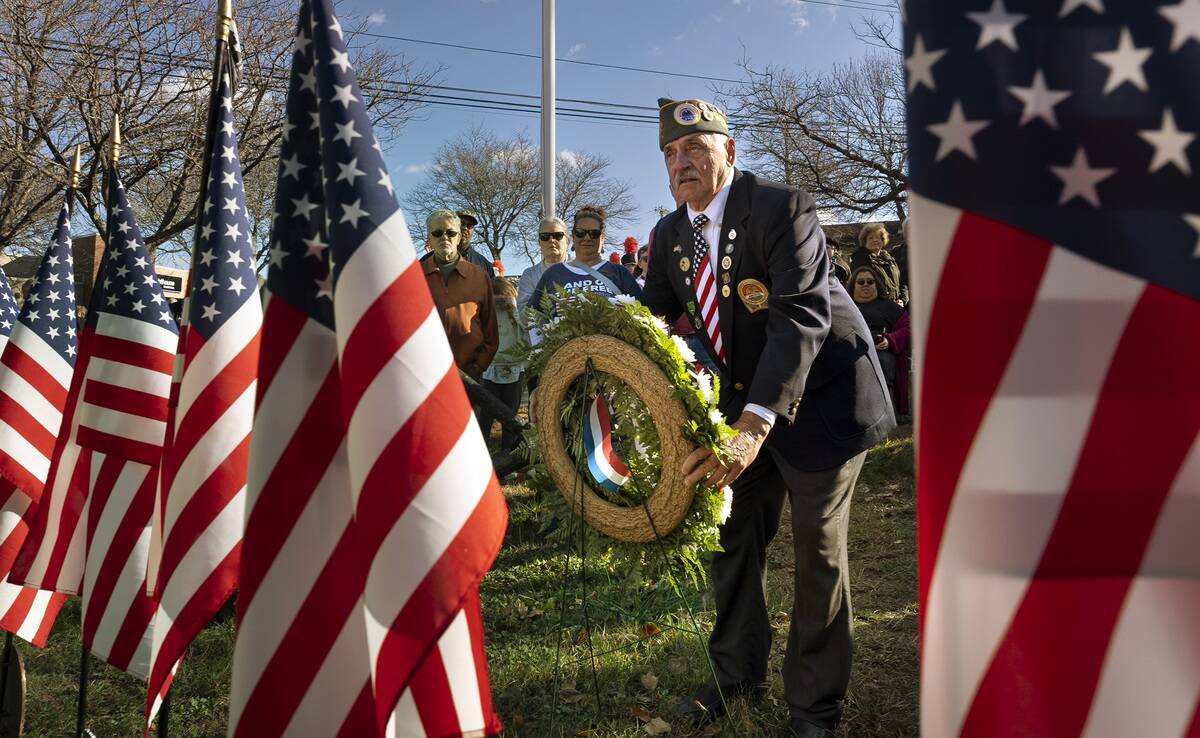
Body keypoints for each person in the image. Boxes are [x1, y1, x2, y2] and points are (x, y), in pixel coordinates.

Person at [641, 97, 895, 738]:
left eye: (697, 148)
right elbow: (651, 325)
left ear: (730, 152)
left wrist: (753, 429)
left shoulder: (782, 207)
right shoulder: (670, 236)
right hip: (741, 411)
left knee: (817, 550)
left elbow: (800, 318)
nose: (683, 162)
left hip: (823, 403)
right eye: (671, 154)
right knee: (730, 538)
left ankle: (814, 709)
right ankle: (735, 673)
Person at [421, 209, 498, 380]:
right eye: (437, 233)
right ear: (430, 237)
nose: (444, 237)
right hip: (426, 376)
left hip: (471, 376)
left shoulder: (479, 276)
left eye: (451, 232)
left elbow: (491, 332)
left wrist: (478, 367)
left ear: (458, 237)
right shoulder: (415, 276)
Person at [527, 205, 642, 313]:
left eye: (594, 233)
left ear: (602, 237)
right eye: (580, 233)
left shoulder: (619, 273)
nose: (587, 238)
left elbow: (643, 312)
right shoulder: (552, 274)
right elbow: (531, 317)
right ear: (573, 236)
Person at [478, 276, 528, 452]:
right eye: (495, 297)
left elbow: (526, 334)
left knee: (511, 415)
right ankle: (480, 452)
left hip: (515, 369)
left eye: (503, 297)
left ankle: (509, 453)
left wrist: (513, 309)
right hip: (490, 369)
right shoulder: (485, 314)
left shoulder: (517, 313)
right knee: (486, 414)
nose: (499, 302)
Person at [848, 266, 904, 405]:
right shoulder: (844, 306)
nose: (865, 284)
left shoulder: (888, 307)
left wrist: (890, 340)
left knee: (883, 361)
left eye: (870, 281)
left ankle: (883, 407)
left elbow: (908, 328)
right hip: (849, 352)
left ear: (876, 284)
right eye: (861, 282)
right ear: (853, 286)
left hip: (879, 353)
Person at [517, 217, 569, 311]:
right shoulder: (529, 275)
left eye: (558, 235)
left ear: (567, 241)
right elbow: (523, 313)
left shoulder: (582, 269)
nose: (551, 240)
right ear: (539, 243)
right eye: (545, 236)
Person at [849, 222, 901, 304]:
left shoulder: (890, 259)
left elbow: (901, 282)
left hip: (896, 306)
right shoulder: (860, 260)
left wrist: (902, 300)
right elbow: (862, 289)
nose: (875, 240)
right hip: (875, 308)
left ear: (883, 240)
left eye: (878, 237)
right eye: (870, 238)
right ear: (864, 242)